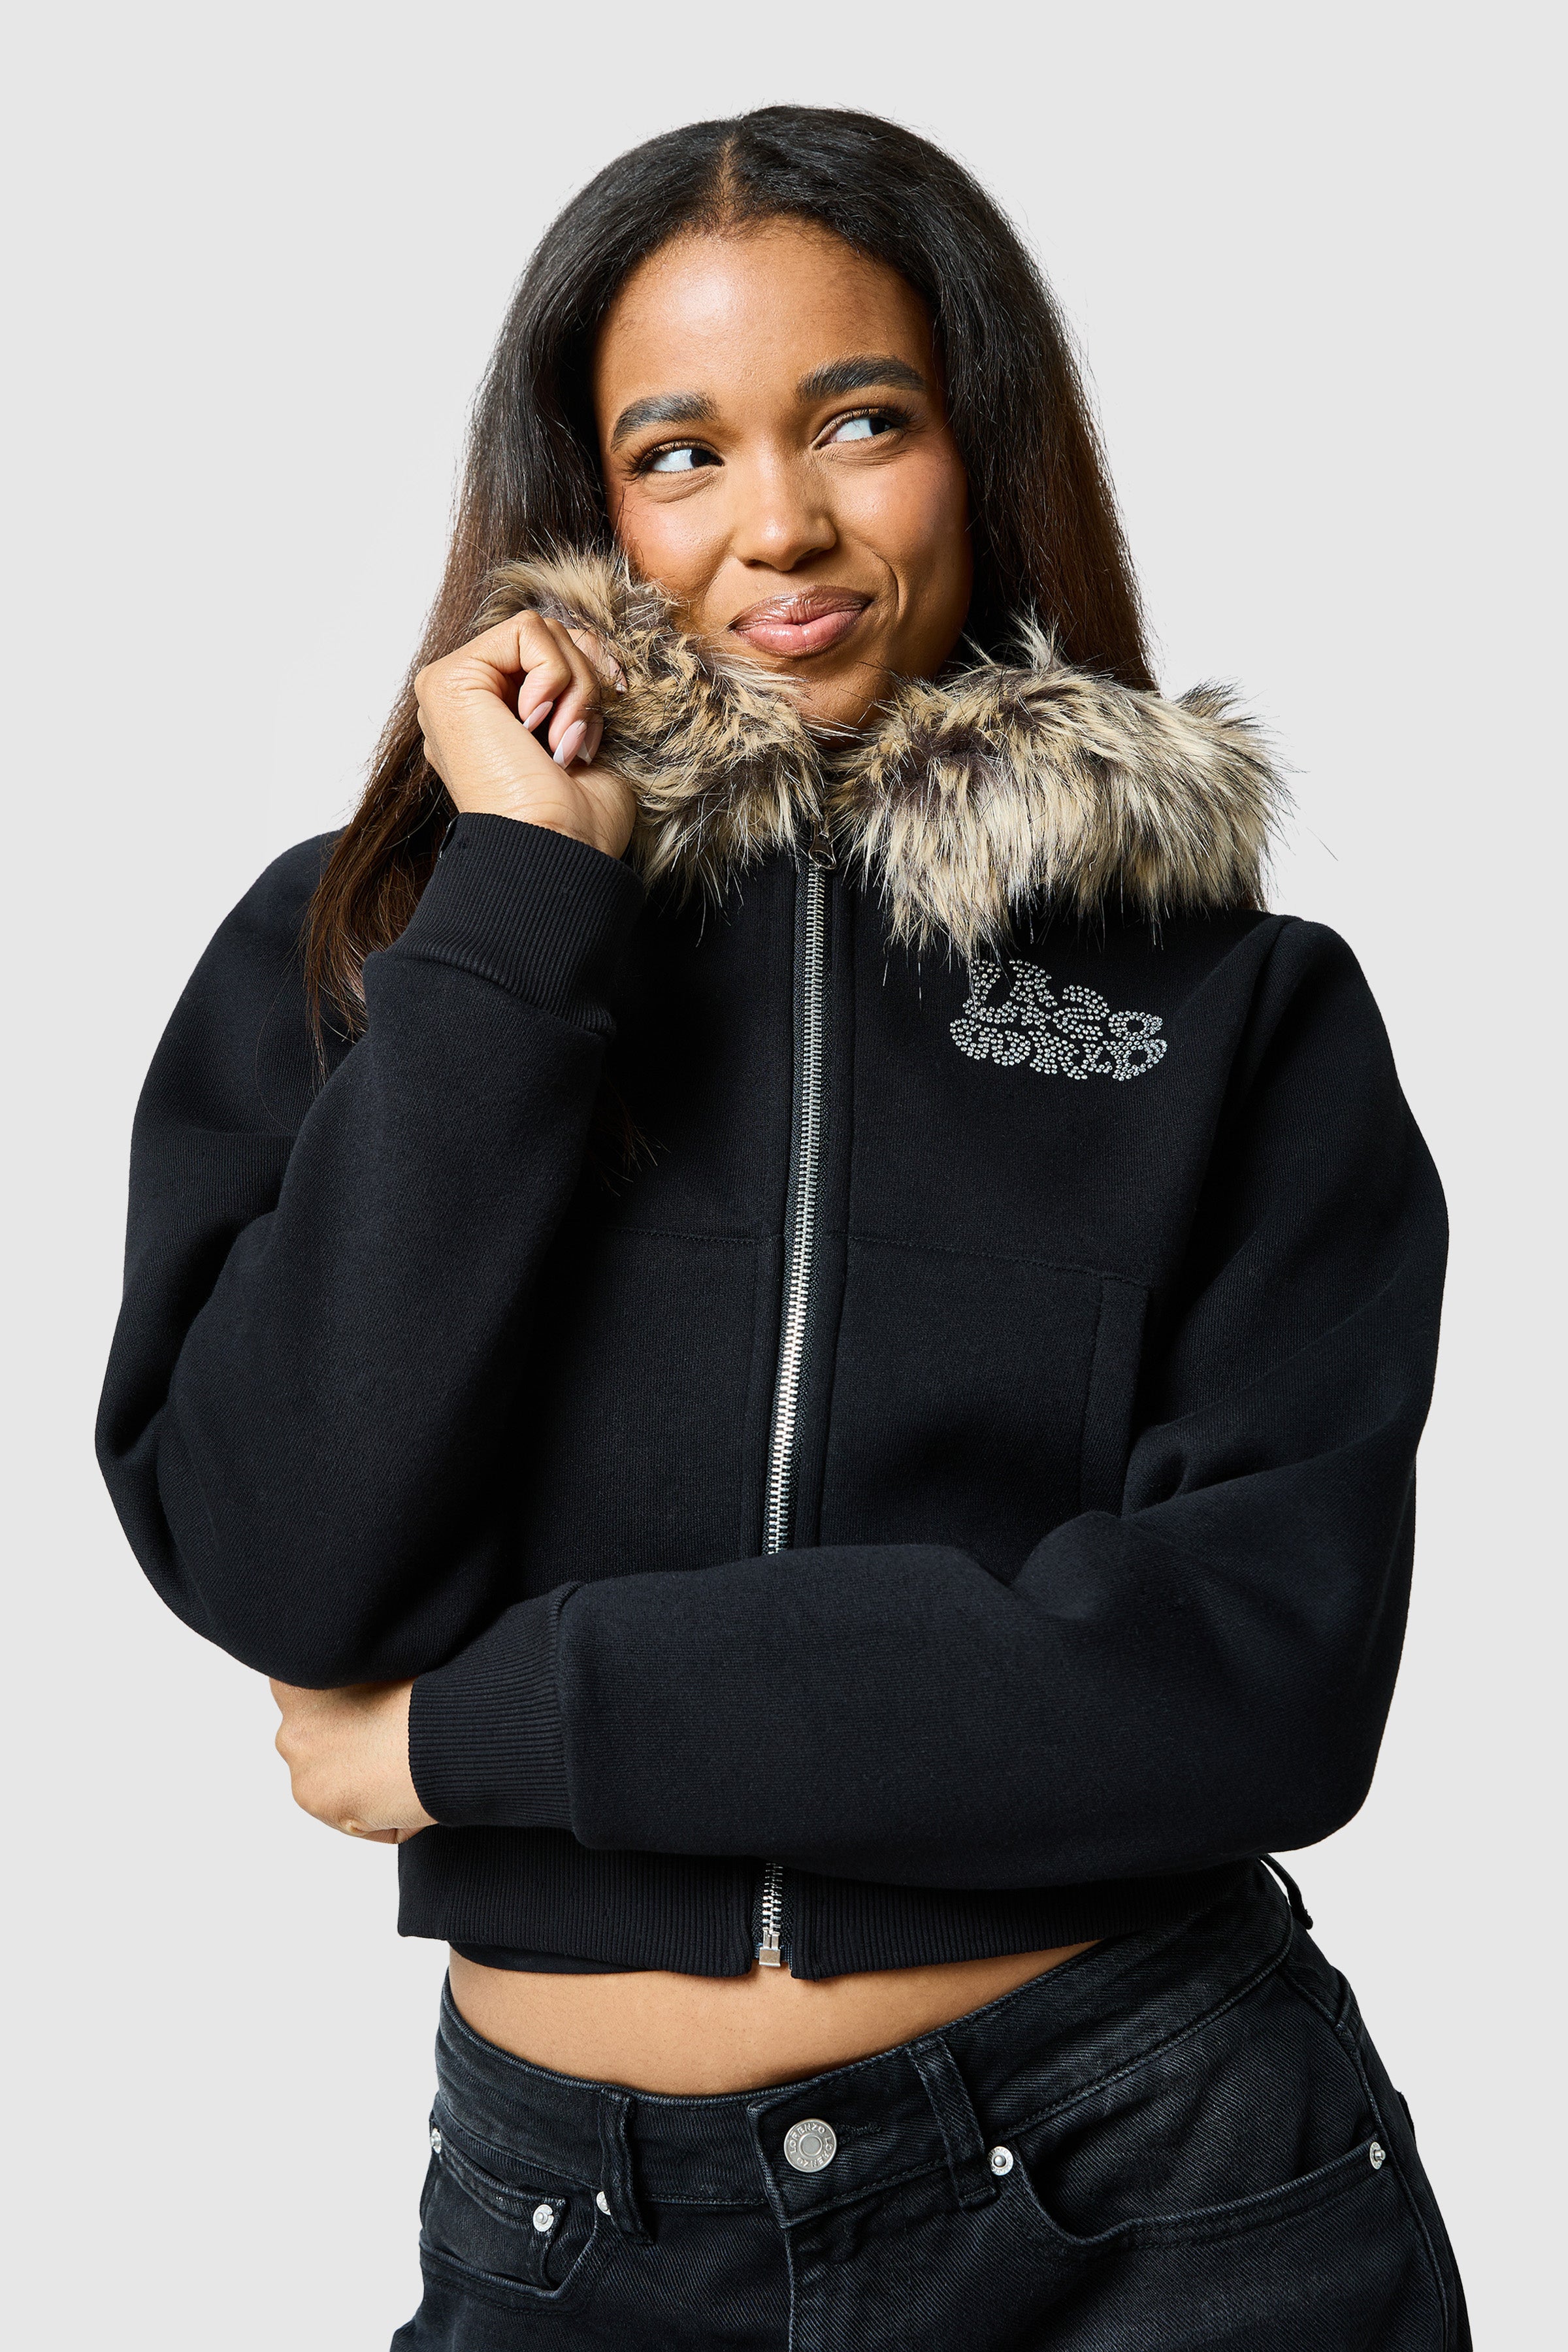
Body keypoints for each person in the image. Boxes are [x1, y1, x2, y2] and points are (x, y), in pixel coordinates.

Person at [97, 105, 1469, 2350]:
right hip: (573, 2241)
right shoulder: (391, 959)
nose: (781, 525)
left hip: (1154, 2190)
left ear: (981, 447)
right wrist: (516, 916)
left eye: (862, 422)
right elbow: (277, 1561)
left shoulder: (1235, 1010)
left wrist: (501, 1726)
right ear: (584, 502)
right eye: (681, 453)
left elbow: (1256, 1679)